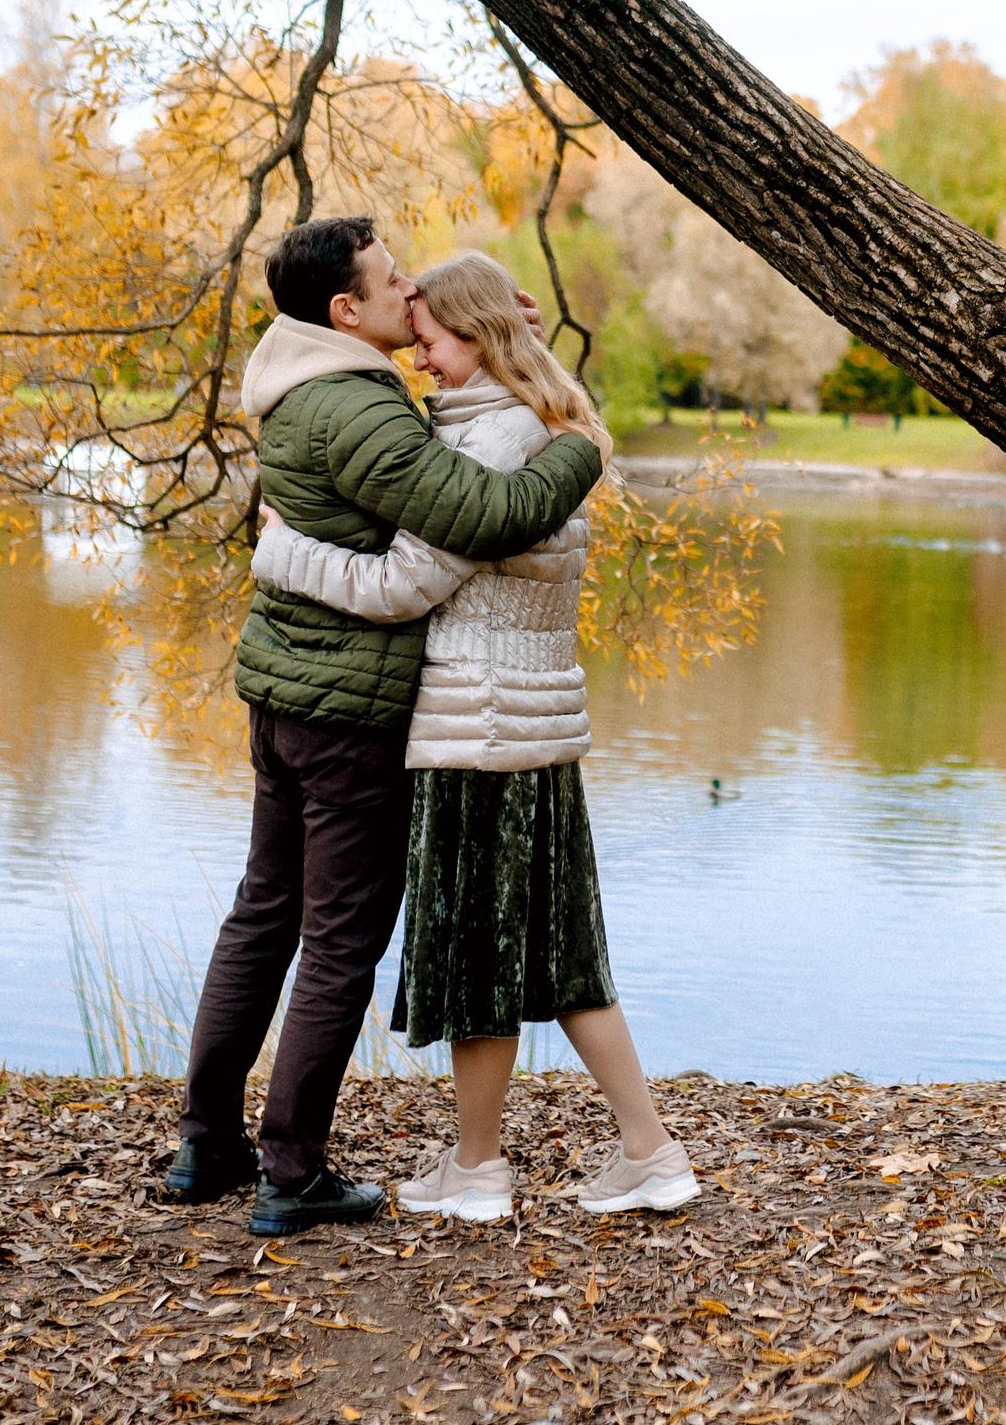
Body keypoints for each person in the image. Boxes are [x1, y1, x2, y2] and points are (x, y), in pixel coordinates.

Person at [167, 217, 607, 1239]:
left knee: (264, 910)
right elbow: (487, 514)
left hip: (284, 693)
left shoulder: (300, 382)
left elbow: (433, 421)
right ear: (344, 311)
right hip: (348, 707)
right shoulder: (359, 412)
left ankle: (207, 1141)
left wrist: (491, 328)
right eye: (392, 281)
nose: (409, 294)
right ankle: (290, 1169)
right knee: (340, 936)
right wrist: (579, 446)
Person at [250, 251, 696, 1221]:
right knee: (567, 960)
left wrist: (281, 548)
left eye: (435, 341)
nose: (421, 360)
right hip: (538, 736)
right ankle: (642, 1152)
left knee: (480, 961)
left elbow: (398, 587)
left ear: (479, 337)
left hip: (472, 729)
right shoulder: (535, 419)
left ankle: (484, 1170)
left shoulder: (489, 441)